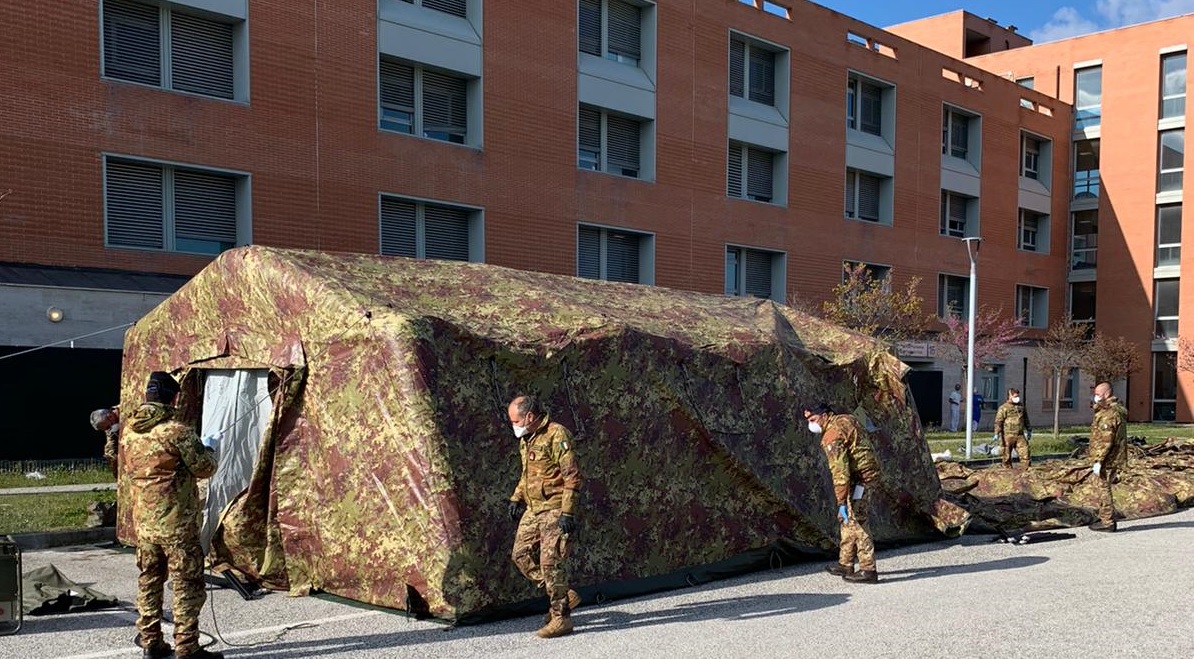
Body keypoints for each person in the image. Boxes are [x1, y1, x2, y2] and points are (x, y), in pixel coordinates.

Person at [124, 371, 223, 659]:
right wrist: (211, 449)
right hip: (177, 524)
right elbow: (204, 467)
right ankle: (187, 648)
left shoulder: (130, 431)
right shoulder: (176, 431)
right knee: (187, 584)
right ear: (174, 398)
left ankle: (150, 643)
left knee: (149, 580)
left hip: (144, 523)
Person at [507, 394, 583, 638]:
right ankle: (562, 592)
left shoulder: (557, 434)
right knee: (520, 554)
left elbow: (571, 475)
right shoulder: (527, 438)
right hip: (534, 507)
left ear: (529, 416)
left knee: (550, 563)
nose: (514, 425)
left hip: (554, 507)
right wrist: (516, 497)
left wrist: (567, 511)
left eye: (515, 420)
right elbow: (527, 473)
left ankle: (561, 618)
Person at [804, 404, 882, 584]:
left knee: (857, 519)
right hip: (864, 474)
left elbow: (840, 473)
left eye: (813, 420)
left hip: (863, 479)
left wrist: (840, 501)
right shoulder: (846, 418)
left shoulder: (832, 435)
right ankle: (845, 563)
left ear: (824, 416)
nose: (811, 425)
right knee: (846, 519)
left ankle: (868, 570)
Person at [1088, 381, 1128, 532]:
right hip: (1111, 457)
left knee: (1104, 488)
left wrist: (1098, 460)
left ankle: (1107, 521)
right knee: (1103, 487)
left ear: (1106, 394)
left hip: (1107, 458)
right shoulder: (1111, 410)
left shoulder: (1109, 414)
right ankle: (1104, 516)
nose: (1095, 397)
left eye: (1098, 394)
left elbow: (1106, 440)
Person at [994, 388, 1032, 469]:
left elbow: (1025, 419)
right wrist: (996, 433)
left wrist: (1029, 430)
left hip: (1020, 435)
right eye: (1014, 396)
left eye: (1018, 396)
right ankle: (1007, 473)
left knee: (1025, 454)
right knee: (1006, 457)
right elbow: (999, 422)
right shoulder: (1004, 408)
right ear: (1009, 396)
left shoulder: (1021, 407)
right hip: (1007, 436)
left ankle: (1026, 471)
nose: (1017, 398)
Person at [90, 407, 121, 476]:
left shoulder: (127, 408)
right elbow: (110, 447)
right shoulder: (110, 429)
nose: (109, 429)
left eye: (107, 427)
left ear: (110, 416)